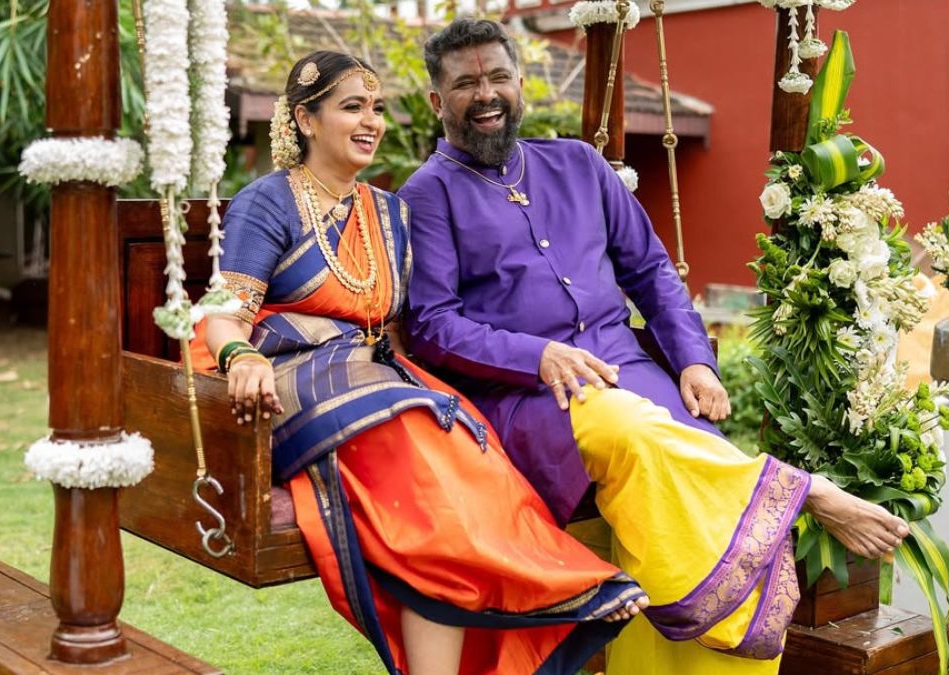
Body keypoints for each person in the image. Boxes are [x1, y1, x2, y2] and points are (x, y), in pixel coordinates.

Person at [397, 19, 911, 673]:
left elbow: (651, 270)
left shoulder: (578, 164)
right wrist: (537, 355)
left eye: (498, 76)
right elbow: (433, 324)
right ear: (437, 100)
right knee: (635, 431)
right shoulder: (426, 196)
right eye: (466, 84)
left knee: (696, 523)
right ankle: (800, 490)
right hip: (531, 398)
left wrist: (694, 360)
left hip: (632, 370)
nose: (486, 93)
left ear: (520, 83)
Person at [197, 50, 649, 675]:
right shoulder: (267, 202)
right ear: (305, 119)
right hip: (295, 379)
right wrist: (239, 353)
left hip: (379, 377)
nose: (371, 121)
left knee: (467, 441)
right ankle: (556, 582)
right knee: (418, 446)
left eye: (376, 108)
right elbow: (224, 313)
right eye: (352, 107)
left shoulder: (388, 211)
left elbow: (405, 327)